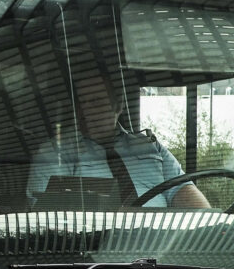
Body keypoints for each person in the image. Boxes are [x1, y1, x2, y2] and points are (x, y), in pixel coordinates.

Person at [27, 74, 210, 209]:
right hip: (97, 250)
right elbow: (49, 217)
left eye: (96, 102)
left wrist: (210, 228)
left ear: (118, 105)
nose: (86, 112)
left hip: (160, 246)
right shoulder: (56, 153)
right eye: (80, 104)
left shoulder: (149, 147)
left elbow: (183, 191)